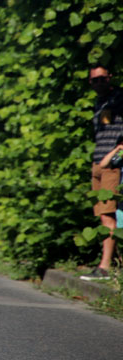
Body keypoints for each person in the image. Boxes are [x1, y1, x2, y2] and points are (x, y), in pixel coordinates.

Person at [80, 65, 123, 281]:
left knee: (108, 214)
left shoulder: (119, 99)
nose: (98, 83)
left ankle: (105, 266)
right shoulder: (100, 103)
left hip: (112, 163)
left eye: (102, 79)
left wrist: (116, 152)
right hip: (98, 161)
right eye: (94, 80)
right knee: (101, 214)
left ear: (110, 78)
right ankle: (110, 262)